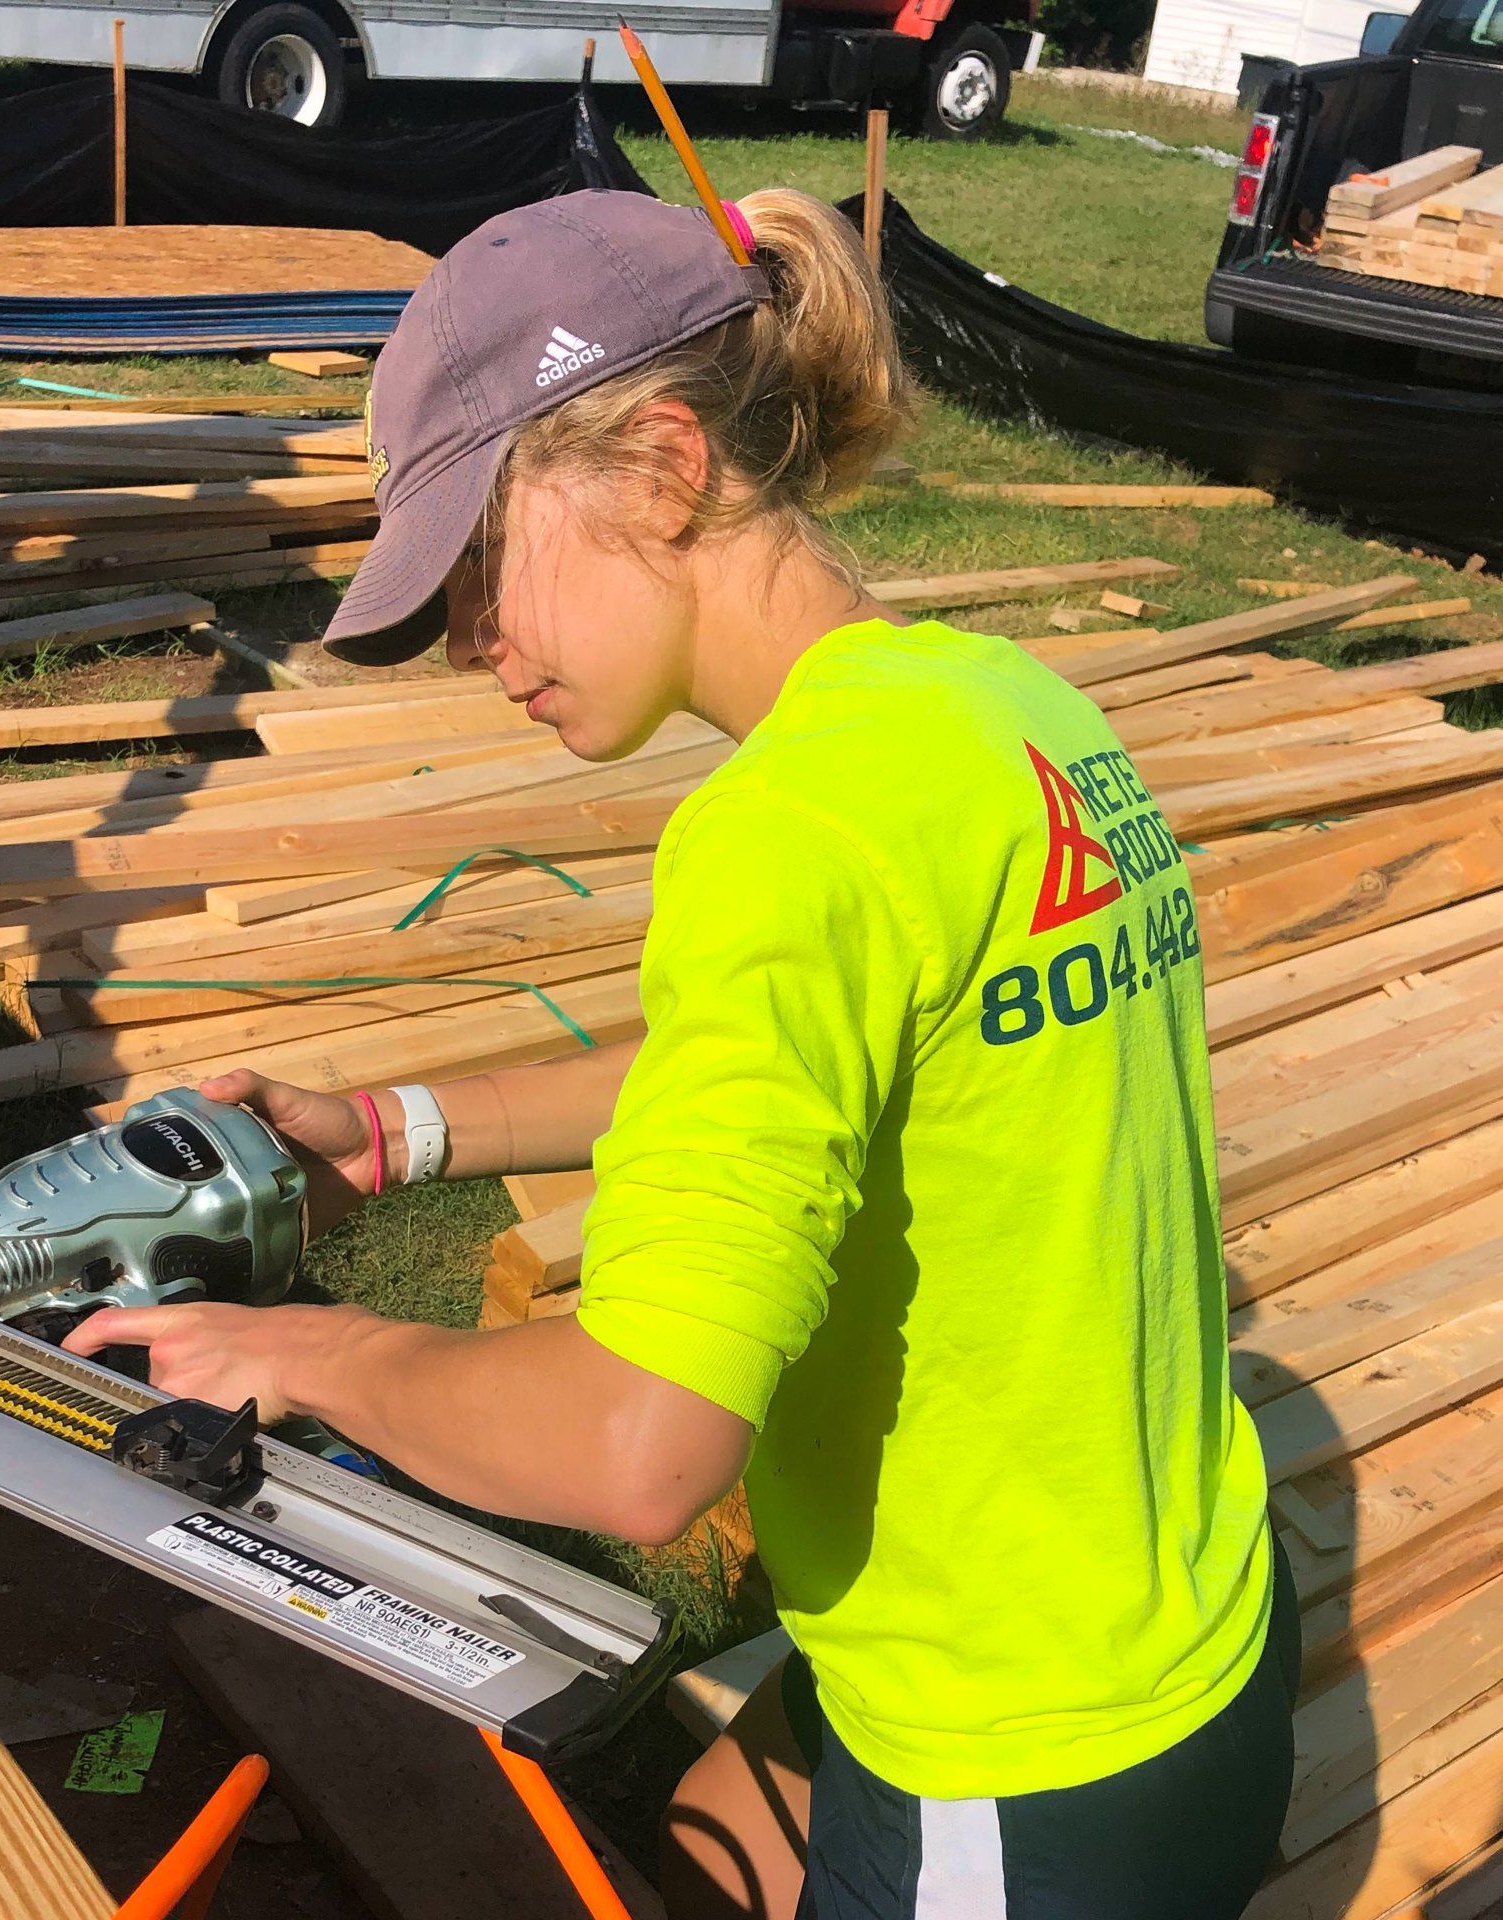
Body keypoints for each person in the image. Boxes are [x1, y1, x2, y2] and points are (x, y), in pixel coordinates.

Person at [64, 187, 1297, 1918]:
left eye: (481, 566)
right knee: (707, 1815)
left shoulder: (780, 831)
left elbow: (635, 1449)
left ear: (661, 465)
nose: (475, 642)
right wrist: (395, 1130)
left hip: (1004, 1764)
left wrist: (315, 1354)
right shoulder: (997, 713)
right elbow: (790, 1077)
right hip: (1178, 1637)